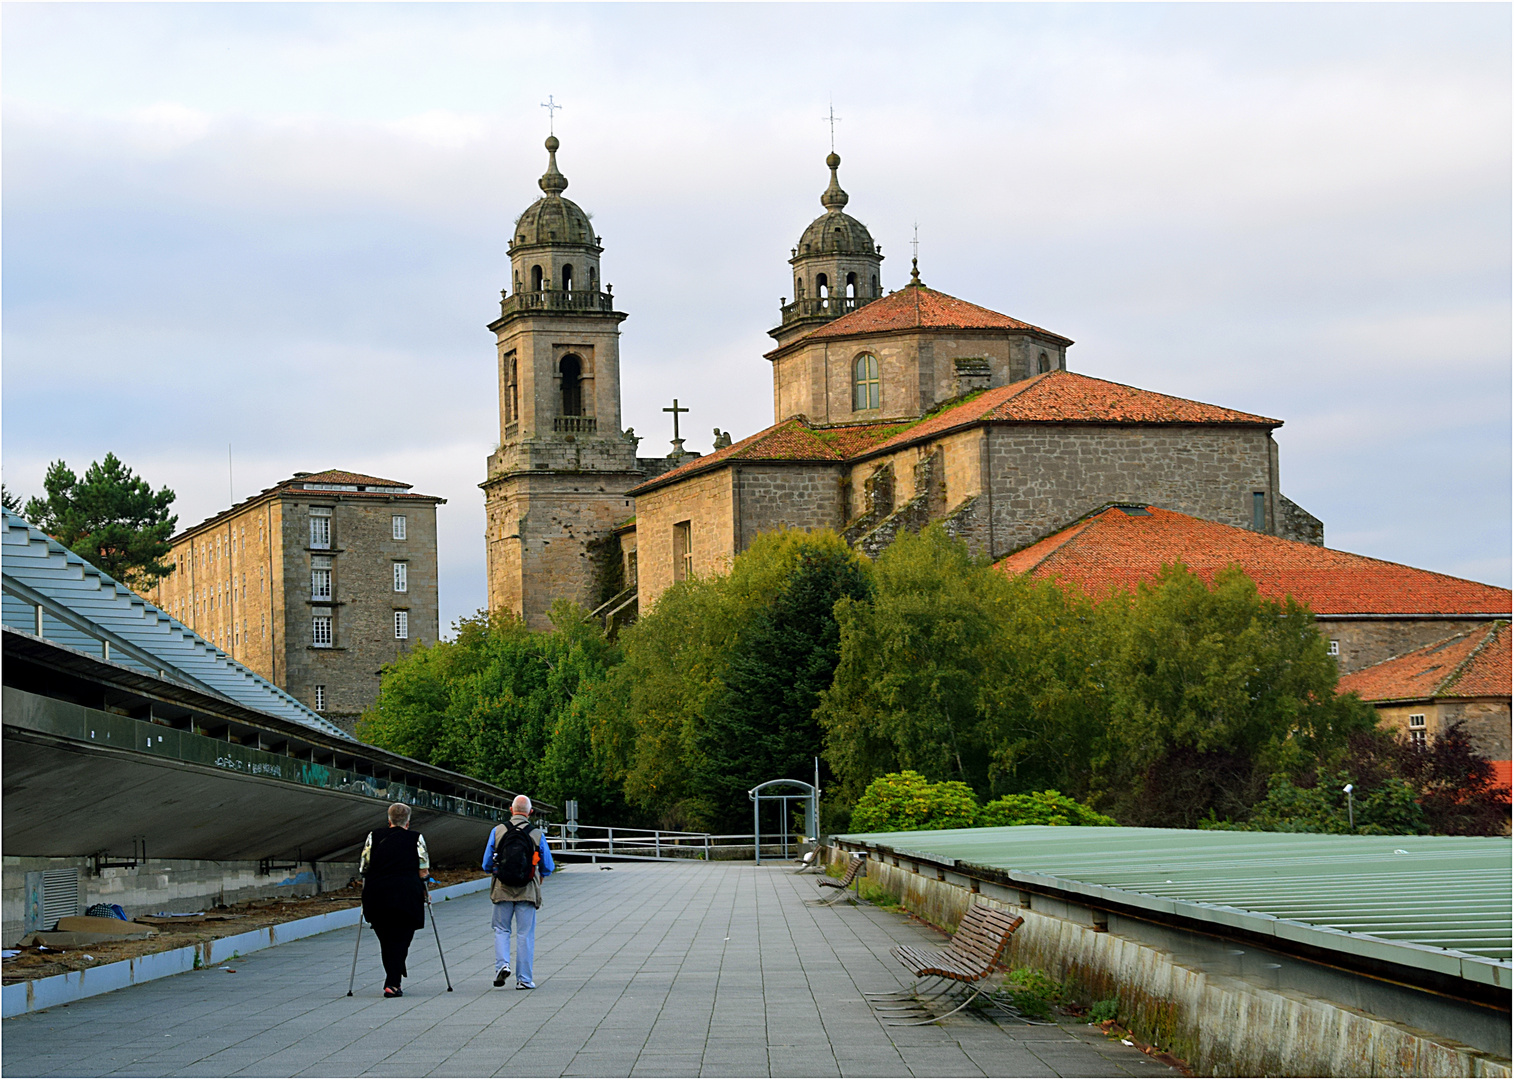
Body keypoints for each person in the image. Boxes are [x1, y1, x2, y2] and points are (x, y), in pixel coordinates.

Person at [482, 794, 554, 989]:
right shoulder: (536, 834)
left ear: (511, 810)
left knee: (501, 929)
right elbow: (548, 865)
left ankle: (502, 964)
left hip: (502, 888)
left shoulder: (498, 831)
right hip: (527, 889)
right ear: (530, 812)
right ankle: (524, 979)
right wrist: (540, 876)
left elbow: (486, 863)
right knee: (525, 934)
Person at [360, 802, 429, 998]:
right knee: (402, 938)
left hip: (377, 894)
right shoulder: (416, 838)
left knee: (386, 940)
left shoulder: (373, 836)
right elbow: (423, 869)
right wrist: (426, 890)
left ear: (388, 820)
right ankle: (393, 980)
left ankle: (393, 977)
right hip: (407, 894)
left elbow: (364, 866)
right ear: (408, 821)